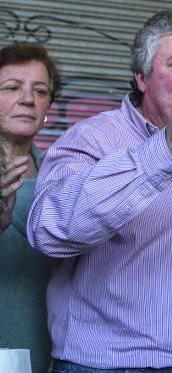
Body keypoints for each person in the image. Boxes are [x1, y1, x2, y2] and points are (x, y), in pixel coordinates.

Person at [27, 7, 172, 371]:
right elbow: (48, 230)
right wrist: (169, 145)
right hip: (113, 366)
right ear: (142, 78)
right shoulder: (92, 137)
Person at [0, 43, 60, 373]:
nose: (28, 99)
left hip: (46, 356)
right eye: (12, 88)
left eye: (40, 90)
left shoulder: (60, 176)